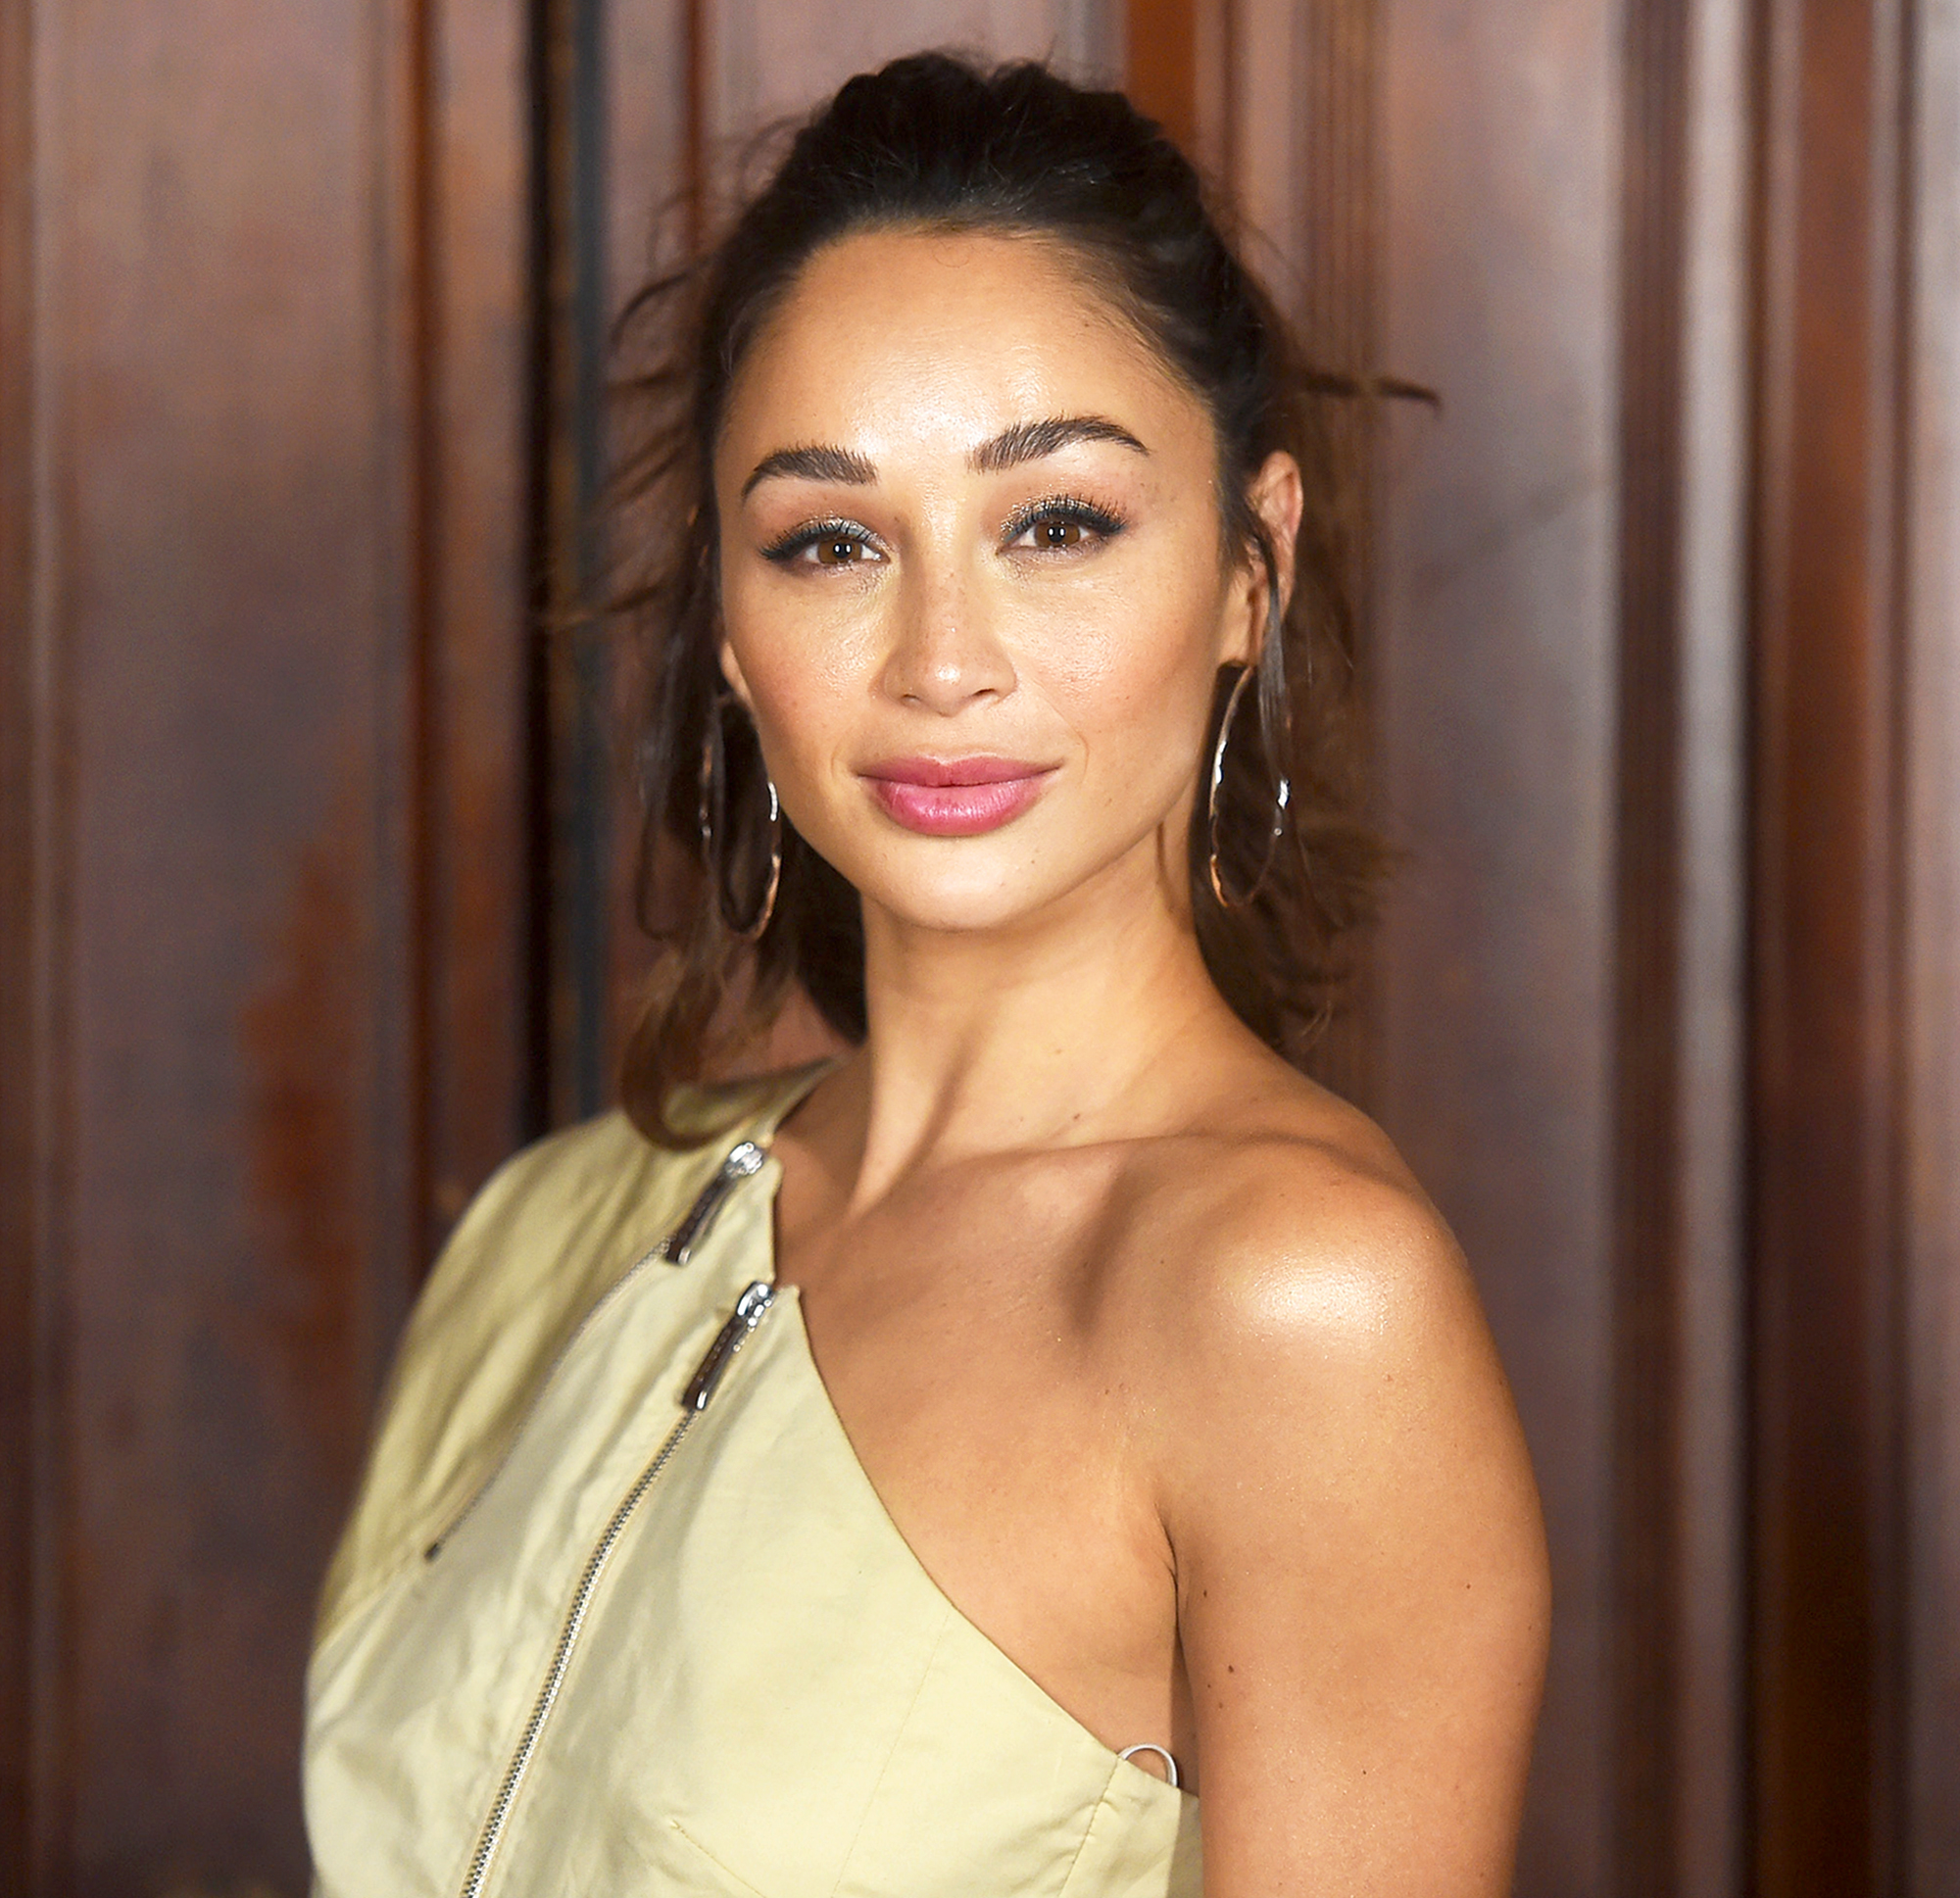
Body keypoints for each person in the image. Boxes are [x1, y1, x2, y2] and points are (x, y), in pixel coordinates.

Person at [304, 52, 1548, 1898]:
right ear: (733, 629)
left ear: (1247, 566)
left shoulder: (1295, 1305)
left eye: (1056, 523)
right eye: (831, 541)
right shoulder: (554, 1225)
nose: (942, 657)